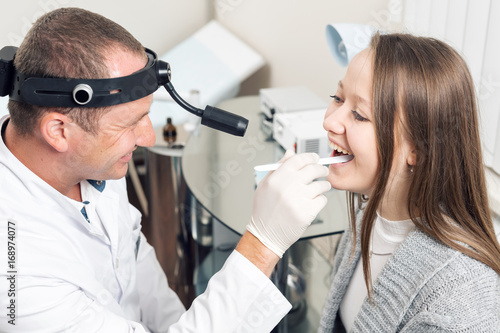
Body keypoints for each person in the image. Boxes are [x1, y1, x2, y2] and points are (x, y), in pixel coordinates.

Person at [0, 7, 332, 332]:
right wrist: (263, 244)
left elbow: (133, 259)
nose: (148, 136)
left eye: (145, 115)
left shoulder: (88, 159)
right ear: (59, 131)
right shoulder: (19, 277)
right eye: (131, 124)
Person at [318, 32, 500, 332]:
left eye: (359, 116)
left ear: (417, 148)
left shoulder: (458, 301)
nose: (330, 121)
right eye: (337, 98)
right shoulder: (367, 216)